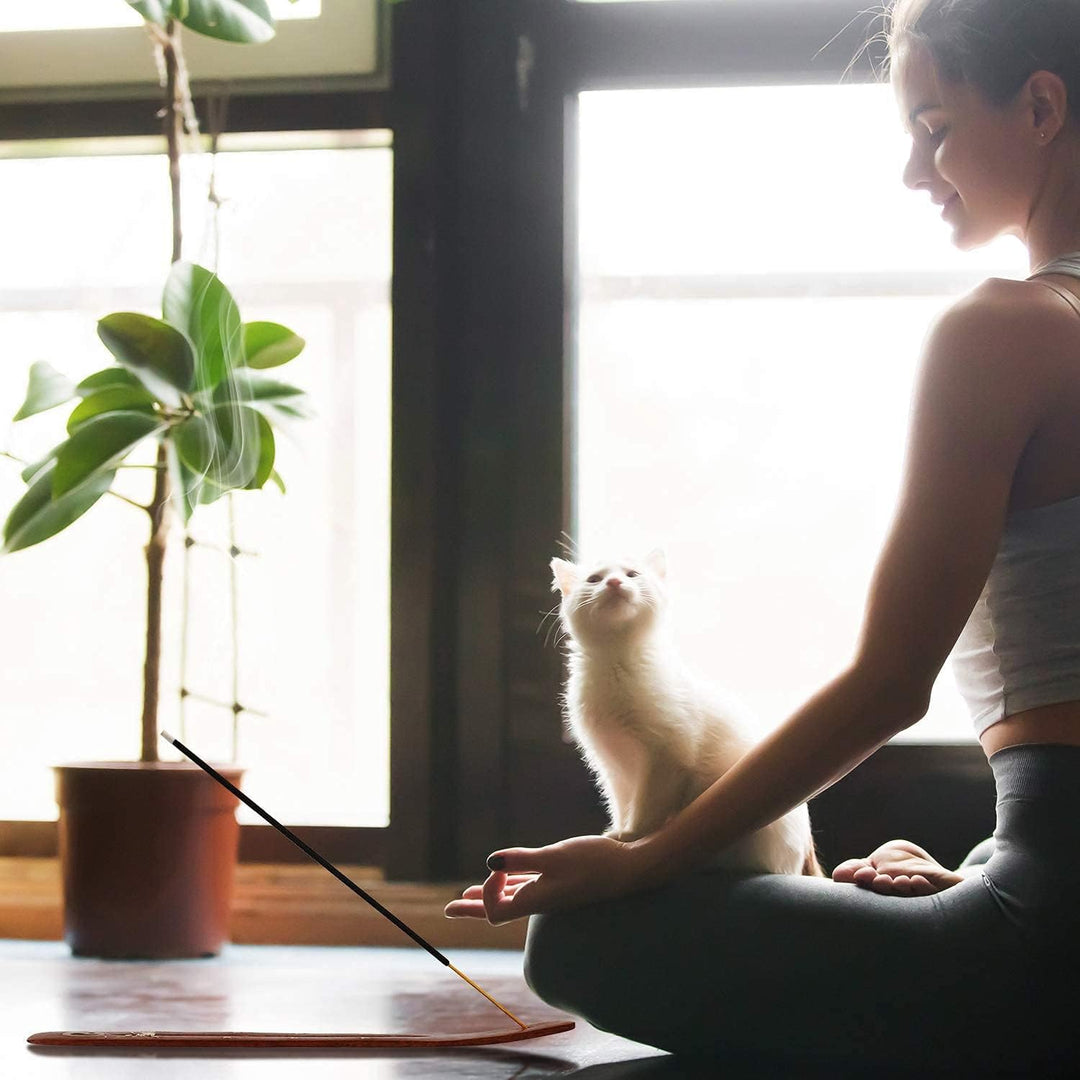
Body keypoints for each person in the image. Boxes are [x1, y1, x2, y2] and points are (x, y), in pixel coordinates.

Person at [445, 0, 1080, 1070]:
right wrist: (976, 871)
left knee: (580, 935)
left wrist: (636, 861)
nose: (915, 173)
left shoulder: (1009, 331)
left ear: (1042, 105)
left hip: (1047, 947)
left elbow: (891, 685)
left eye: (932, 126)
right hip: (1038, 891)